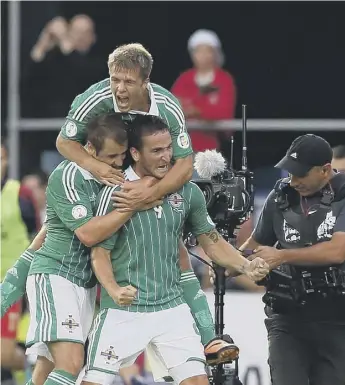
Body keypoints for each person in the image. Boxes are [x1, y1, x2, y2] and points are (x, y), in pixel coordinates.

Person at [4, 43, 237, 364]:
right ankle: (3, 301)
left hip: (144, 176)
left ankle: (209, 337)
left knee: (174, 249)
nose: (119, 88)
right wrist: (100, 168)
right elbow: (64, 142)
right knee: (50, 236)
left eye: (128, 81)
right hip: (100, 171)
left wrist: (152, 193)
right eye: (115, 79)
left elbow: (184, 165)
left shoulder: (166, 104)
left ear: (146, 81)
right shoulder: (95, 98)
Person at [83, 115, 269, 385]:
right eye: (156, 150)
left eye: (168, 148)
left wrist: (245, 265)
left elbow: (211, 239)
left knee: (197, 382)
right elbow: (99, 252)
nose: (166, 157)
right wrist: (113, 289)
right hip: (124, 310)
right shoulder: (116, 192)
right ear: (135, 153)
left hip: (171, 309)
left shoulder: (187, 191)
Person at [214, 134, 345, 385]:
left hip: (337, 317)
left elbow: (337, 251)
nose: (293, 180)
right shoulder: (280, 197)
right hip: (288, 315)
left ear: (324, 170)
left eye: (300, 174)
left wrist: (281, 256)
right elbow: (254, 245)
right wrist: (229, 265)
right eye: (290, 172)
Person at [23, 114, 160, 385]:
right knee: (72, 363)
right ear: (89, 150)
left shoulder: (112, 177)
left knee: (46, 371)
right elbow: (87, 234)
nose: (118, 163)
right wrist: (131, 206)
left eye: (122, 155)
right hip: (57, 275)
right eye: (110, 156)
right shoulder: (69, 175)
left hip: (83, 284)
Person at [1, 141, 39, 385]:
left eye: (2, 158)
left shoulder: (19, 193)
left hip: (10, 285)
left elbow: (37, 235)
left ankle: (36, 366)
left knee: (3, 353)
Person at [171, 29, 236, 152]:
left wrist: (196, 111)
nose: (203, 56)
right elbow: (172, 107)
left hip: (214, 147)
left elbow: (224, 113)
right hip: (182, 146)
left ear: (215, 53)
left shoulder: (224, 79)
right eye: (199, 51)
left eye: (207, 51)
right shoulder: (185, 79)